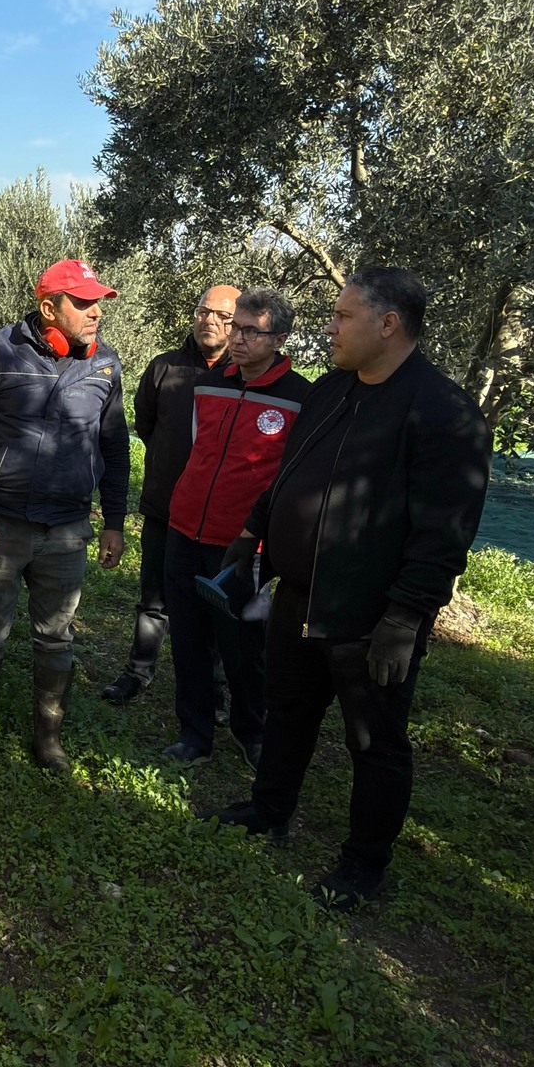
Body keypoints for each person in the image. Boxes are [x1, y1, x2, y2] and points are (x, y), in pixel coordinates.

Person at [203, 267, 491, 909]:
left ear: (388, 325)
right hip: (300, 597)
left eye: (342, 317)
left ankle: (365, 865)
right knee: (289, 712)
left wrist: (405, 618)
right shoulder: (332, 391)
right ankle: (270, 811)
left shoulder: (444, 414)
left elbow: (444, 533)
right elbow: (291, 474)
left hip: (369, 617)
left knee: (375, 740)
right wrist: (254, 532)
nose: (328, 328)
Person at [0, 259, 129, 775]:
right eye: (83, 303)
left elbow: (114, 448)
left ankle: (48, 739)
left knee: (57, 636)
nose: (95, 313)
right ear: (49, 307)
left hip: (67, 529)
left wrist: (114, 520)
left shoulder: (106, 365)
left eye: (98, 303)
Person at [159, 289, 311, 766]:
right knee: (186, 637)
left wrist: (261, 539)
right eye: (235, 327)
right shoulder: (207, 384)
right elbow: (194, 448)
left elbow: (293, 479)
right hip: (183, 529)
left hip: (244, 545)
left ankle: (252, 731)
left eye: (250, 330)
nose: (236, 338)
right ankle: (194, 733)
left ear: (280, 338)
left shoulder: (300, 398)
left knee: (244, 646)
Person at [101, 284, 241, 709]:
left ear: (239, 324)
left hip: (221, 520)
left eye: (222, 315)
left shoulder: (244, 377)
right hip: (165, 508)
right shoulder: (164, 368)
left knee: (217, 604)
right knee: (154, 597)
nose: (209, 321)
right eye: (203, 311)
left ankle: (217, 688)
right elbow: (146, 426)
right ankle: (138, 672)